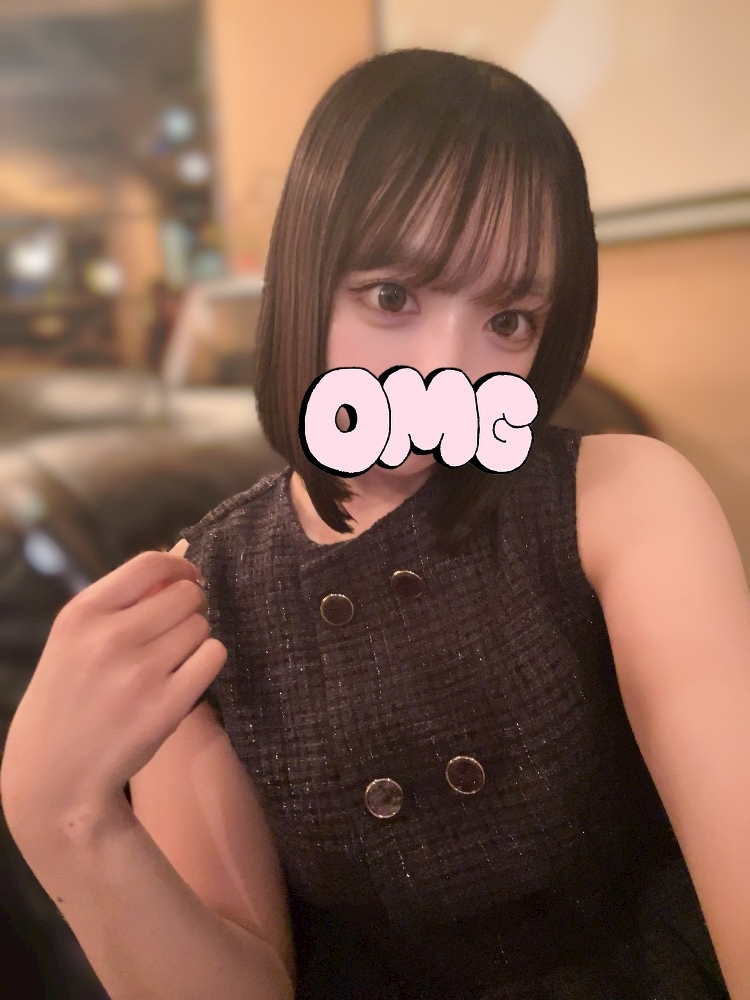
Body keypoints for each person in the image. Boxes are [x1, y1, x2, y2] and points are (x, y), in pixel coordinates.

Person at [1, 49, 749, 1000]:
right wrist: (65, 823)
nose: (447, 373)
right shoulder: (204, 598)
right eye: (392, 297)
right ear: (301, 282)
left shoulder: (620, 498)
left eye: (509, 320)